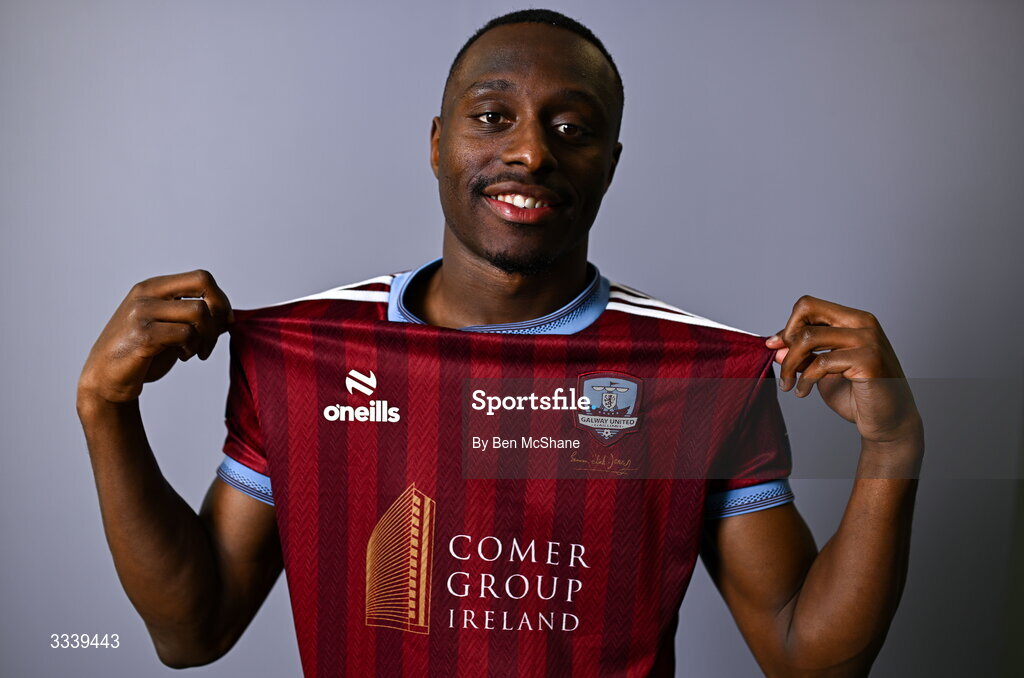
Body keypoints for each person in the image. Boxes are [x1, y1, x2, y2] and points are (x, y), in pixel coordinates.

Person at [76, 9, 923, 677]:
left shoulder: (701, 376)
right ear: (438, 143)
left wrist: (893, 449)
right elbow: (193, 632)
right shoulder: (305, 354)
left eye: (572, 128)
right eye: (492, 117)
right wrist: (106, 411)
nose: (528, 151)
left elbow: (807, 658)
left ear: (610, 163)